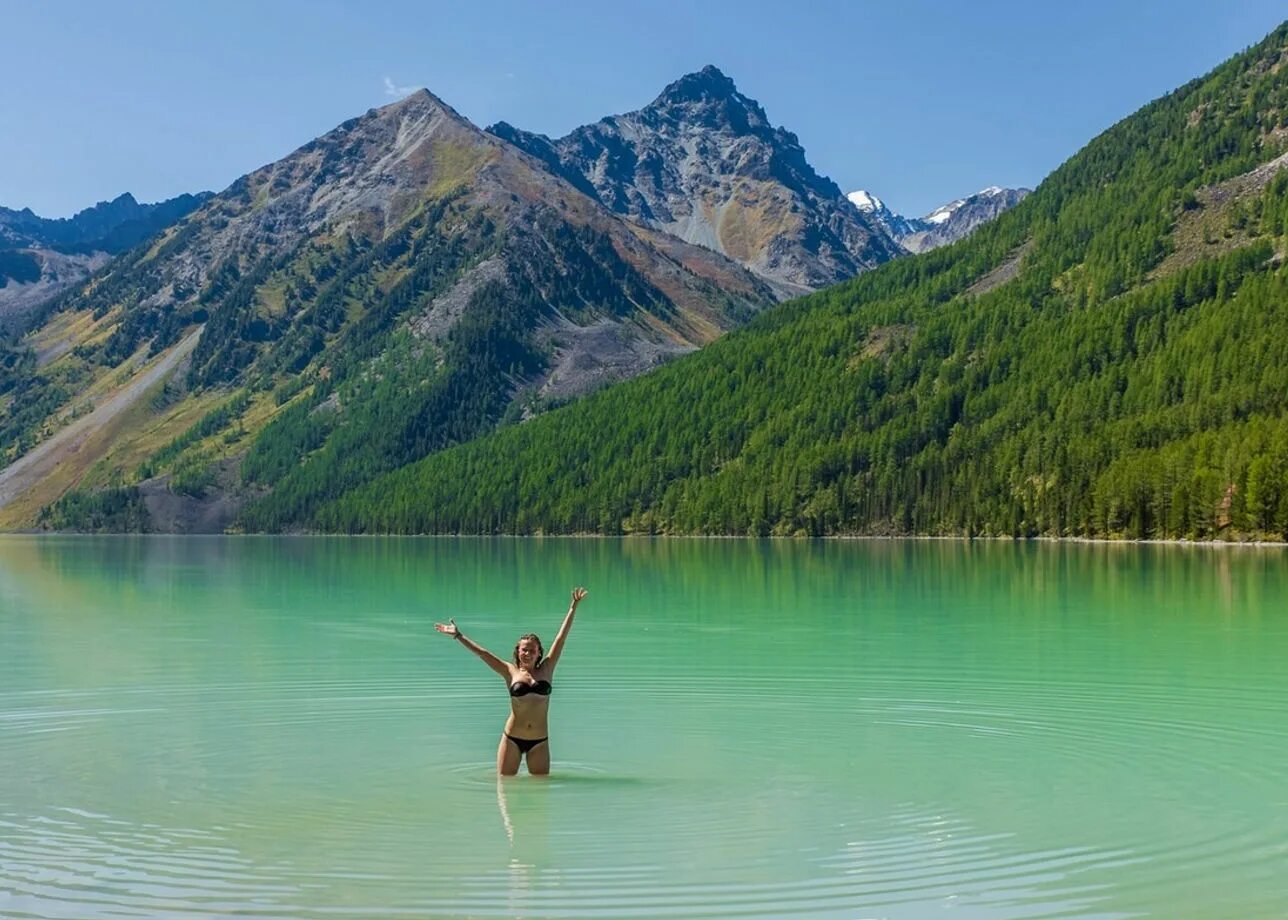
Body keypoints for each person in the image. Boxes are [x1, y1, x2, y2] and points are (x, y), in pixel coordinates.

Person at [436, 587, 587, 775]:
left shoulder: (547, 668)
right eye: (524, 649)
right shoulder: (510, 671)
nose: (528, 653)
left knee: (540, 795)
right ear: (518, 651)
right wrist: (459, 636)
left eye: (532, 650)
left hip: (540, 741)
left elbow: (561, 638)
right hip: (512, 739)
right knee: (504, 790)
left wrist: (573, 607)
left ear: (539, 652)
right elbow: (483, 654)